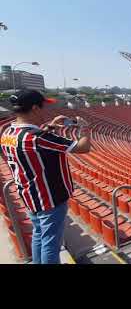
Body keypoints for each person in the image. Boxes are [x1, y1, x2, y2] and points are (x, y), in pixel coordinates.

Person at [0, 90, 92, 264]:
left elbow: (33, 144)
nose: (45, 111)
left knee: (39, 234)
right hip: (49, 199)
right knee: (51, 243)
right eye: (43, 107)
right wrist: (85, 128)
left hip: (29, 195)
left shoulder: (8, 133)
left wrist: (50, 126)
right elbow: (82, 147)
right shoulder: (37, 137)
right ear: (35, 108)